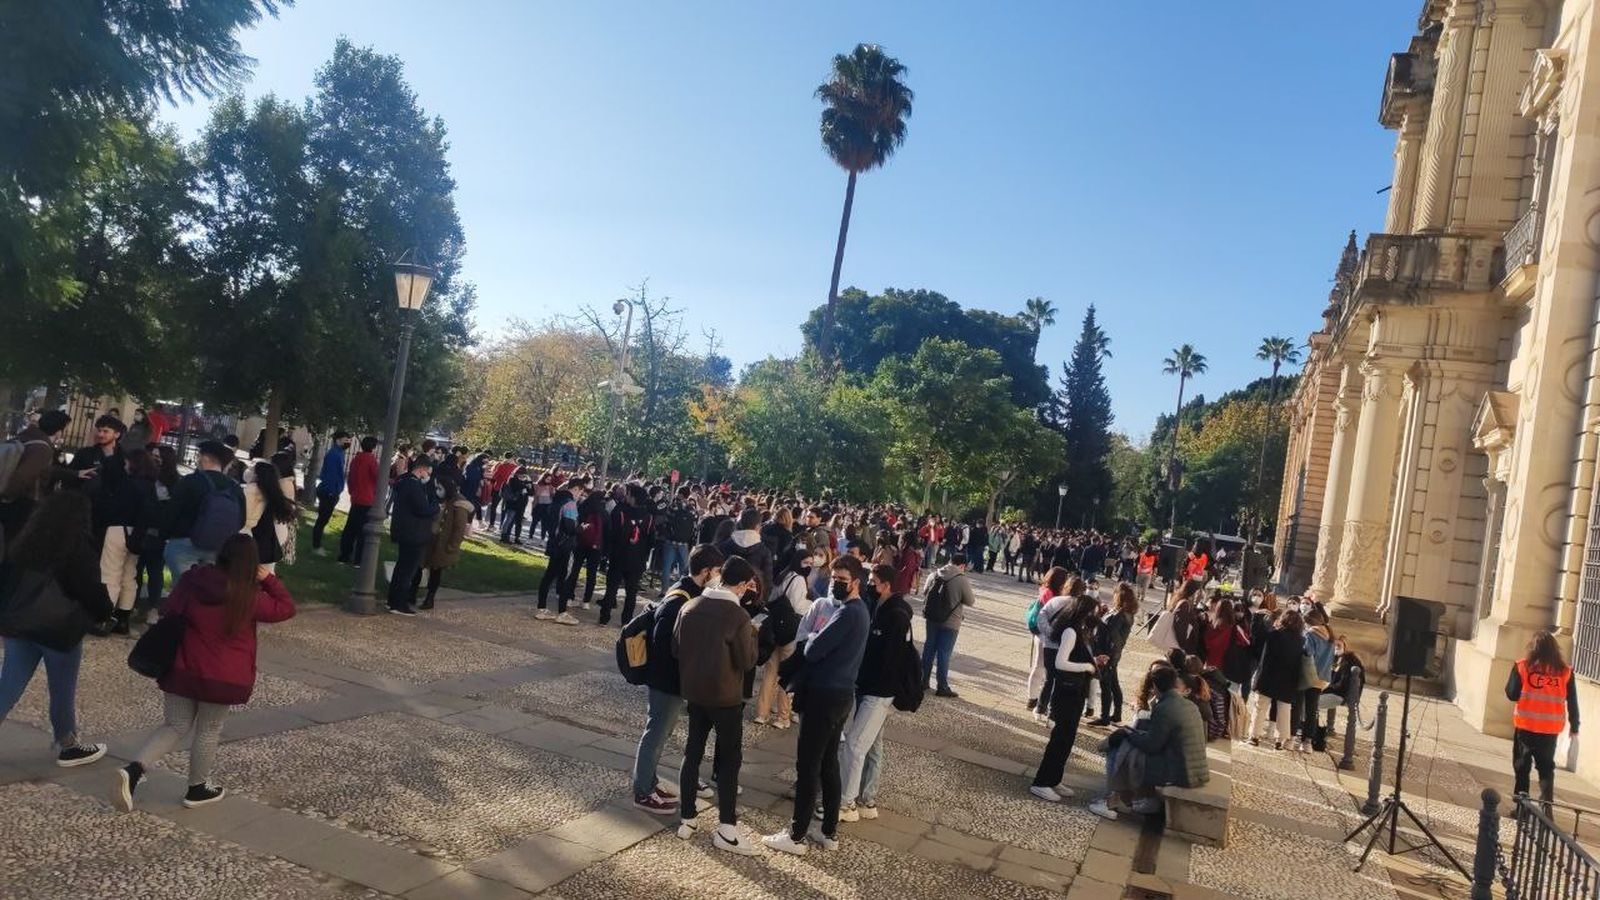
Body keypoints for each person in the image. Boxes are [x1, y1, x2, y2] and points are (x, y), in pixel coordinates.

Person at [114, 534, 295, 811]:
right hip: (222, 675)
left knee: (174, 725)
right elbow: (285, 608)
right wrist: (268, 579)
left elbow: (170, 610)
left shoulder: (192, 580)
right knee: (208, 730)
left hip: (183, 666)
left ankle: (135, 769)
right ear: (251, 564)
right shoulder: (248, 595)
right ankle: (197, 788)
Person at [765, 555, 871, 855]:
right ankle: (828, 832)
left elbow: (812, 649)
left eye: (842, 581)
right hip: (841, 693)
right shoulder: (861, 612)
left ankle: (796, 834)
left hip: (824, 695)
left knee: (808, 764)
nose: (835, 585)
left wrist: (811, 637)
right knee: (828, 764)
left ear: (855, 583)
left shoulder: (848, 613)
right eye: (833, 579)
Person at [0, 491, 114, 766]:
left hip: (22, 623)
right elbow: (88, 588)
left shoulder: (27, 540)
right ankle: (68, 745)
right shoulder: (77, 546)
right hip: (58, 629)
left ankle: (68, 741)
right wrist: (105, 612)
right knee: (62, 689)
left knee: (8, 686)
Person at [672, 554, 761, 855]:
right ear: (740, 585)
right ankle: (726, 828)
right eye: (747, 585)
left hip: (695, 692)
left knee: (692, 752)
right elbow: (747, 660)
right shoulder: (738, 617)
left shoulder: (690, 606)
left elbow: (676, 647)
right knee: (729, 761)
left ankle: (687, 816)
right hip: (725, 697)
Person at [632, 543, 723, 814]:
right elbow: (665, 646)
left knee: (662, 732)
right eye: (717, 570)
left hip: (675, 682)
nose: (719, 576)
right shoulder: (678, 600)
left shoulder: (693, 592)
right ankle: (643, 791)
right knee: (656, 734)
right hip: (667, 682)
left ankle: (649, 781)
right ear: (706, 571)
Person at [837, 562, 912, 822]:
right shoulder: (879, 608)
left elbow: (890, 660)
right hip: (870, 687)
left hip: (879, 691)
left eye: (873, 582)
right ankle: (866, 799)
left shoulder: (896, 615)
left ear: (886, 585)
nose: (870, 585)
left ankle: (847, 803)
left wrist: (876, 688)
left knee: (855, 746)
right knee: (871, 746)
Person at [1089, 665, 1209, 820]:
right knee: (1128, 745)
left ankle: (1108, 800)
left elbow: (1151, 746)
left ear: (1155, 687)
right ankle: (1148, 800)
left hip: (1178, 772)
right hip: (1193, 770)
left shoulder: (1165, 707)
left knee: (1121, 751)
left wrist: (1129, 734)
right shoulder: (1189, 704)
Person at [1030, 594, 1102, 802]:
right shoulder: (1071, 631)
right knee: (1060, 738)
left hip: (1076, 690)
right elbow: (1061, 663)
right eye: (1093, 612)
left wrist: (1094, 661)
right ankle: (1042, 781)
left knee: (1068, 738)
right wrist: (1086, 666)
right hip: (1066, 691)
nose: (1095, 617)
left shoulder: (1081, 631)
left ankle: (1054, 779)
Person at [1506, 630, 1579, 809]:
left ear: (1533, 648)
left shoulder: (1522, 666)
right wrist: (1574, 726)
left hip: (1526, 726)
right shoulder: (1565, 672)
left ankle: (1521, 808)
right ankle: (1546, 808)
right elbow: (1573, 701)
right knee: (1546, 769)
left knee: (1522, 767)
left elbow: (1512, 694)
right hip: (1550, 729)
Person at [163, 440, 246, 583]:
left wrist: (166, 534)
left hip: (184, 542)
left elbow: (171, 513)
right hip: (219, 545)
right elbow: (241, 520)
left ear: (204, 457)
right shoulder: (235, 487)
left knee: (183, 588)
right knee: (207, 589)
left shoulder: (190, 481)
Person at [753, 548, 813, 730]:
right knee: (786, 675)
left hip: (776, 631)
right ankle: (782, 716)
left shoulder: (783, 576)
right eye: (807, 563)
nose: (809, 566)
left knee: (770, 673)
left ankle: (761, 713)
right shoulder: (800, 580)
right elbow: (797, 606)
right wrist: (812, 604)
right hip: (791, 632)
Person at [0, 409, 70, 550]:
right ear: (58, 431)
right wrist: (7, 495)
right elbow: (23, 476)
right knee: (14, 547)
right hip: (22, 503)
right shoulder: (43, 448)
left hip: (9, 502)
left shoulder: (23, 438)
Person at [387, 456, 439, 616]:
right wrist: (436, 507)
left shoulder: (404, 482)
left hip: (405, 530)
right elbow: (422, 510)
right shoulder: (413, 485)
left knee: (401, 567)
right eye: (428, 473)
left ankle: (393, 601)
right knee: (407, 570)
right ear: (422, 470)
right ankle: (399, 603)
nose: (428, 476)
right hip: (413, 532)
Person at [921, 551, 977, 699]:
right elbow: (970, 601)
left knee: (929, 648)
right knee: (944, 653)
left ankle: (922, 680)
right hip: (951, 621)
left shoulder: (935, 574)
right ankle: (942, 686)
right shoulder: (961, 579)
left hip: (932, 618)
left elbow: (925, 592)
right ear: (963, 565)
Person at [413, 478, 474, 611]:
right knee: (419, 565)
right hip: (432, 540)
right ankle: (412, 594)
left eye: (439, 488)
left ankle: (429, 598)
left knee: (435, 570)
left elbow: (459, 528)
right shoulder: (442, 500)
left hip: (442, 543)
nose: (437, 491)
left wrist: (452, 546)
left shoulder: (459, 504)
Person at [1248, 608, 1304, 750]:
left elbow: (1264, 657)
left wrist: (1257, 618)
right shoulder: (1301, 641)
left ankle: (1254, 736)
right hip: (1288, 680)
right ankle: (1280, 740)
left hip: (1268, 677)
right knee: (1284, 711)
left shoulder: (1274, 635)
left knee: (1260, 708)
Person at [601, 483, 655, 626]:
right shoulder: (648, 517)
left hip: (619, 556)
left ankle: (604, 617)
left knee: (612, 588)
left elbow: (612, 533)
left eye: (629, 494)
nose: (626, 496)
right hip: (637, 559)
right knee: (631, 593)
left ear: (634, 498)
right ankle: (626, 621)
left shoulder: (620, 512)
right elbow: (651, 540)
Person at [1026, 568, 1073, 721]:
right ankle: (1033, 699)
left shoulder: (1044, 590)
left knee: (1038, 666)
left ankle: (1032, 698)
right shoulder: (1050, 595)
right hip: (1045, 633)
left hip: (1040, 632)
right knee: (1041, 667)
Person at [535, 479, 582, 624]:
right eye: (580, 492)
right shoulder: (570, 504)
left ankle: (541, 608)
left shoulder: (555, 501)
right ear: (575, 489)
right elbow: (569, 526)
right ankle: (562, 612)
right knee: (565, 578)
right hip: (565, 545)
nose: (579, 495)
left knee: (549, 576)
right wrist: (580, 528)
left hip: (554, 542)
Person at [1091, 584, 1138, 726]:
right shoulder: (1125, 612)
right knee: (1114, 684)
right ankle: (1117, 714)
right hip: (1113, 653)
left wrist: (1108, 655)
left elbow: (1112, 634)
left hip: (1107, 652)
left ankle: (1104, 717)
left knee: (1105, 685)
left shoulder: (1120, 614)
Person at [241, 460, 296, 575]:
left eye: (251, 469)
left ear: (257, 474)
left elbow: (245, 518)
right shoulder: (275, 492)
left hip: (254, 541)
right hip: (272, 543)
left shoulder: (251, 490)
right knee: (267, 576)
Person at [337, 436, 380, 565]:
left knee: (350, 528)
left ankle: (344, 555)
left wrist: (352, 491)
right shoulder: (371, 460)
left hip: (356, 497)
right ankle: (358, 559)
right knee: (363, 530)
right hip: (367, 499)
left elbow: (351, 478)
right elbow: (377, 478)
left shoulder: (356, 459)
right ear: (373, 448)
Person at [568, 481, 607, 611]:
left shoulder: (583, 507)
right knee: (592, 574)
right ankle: (586, 601)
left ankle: (569, 596)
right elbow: (608, 531)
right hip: (596, 546)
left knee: (575, 570)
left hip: (581, 543)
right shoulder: (604, 513)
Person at [310, 431, 351, 554]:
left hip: (331, 491)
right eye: (345, 440)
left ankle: (317, 545)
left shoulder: (339, 453)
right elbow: (331, 475)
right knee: (322, 520)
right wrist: (334, 491)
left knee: (323, 519)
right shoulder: (334, 454)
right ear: (338, 440)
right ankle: (316, 547)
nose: (348, 442)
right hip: (329, 491)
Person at [498, 467, 531, 545]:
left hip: (520, 504)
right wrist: (525, 485)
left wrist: (527, 483)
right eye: (521, 475)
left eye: (523, 475)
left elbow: (531, 491)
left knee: (514, 521)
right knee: (508, 520)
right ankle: (504, 536)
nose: (522, 477)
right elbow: (516, 488)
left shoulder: (524, 481)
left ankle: (511, 537)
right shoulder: (512, 479)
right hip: (511, 503)